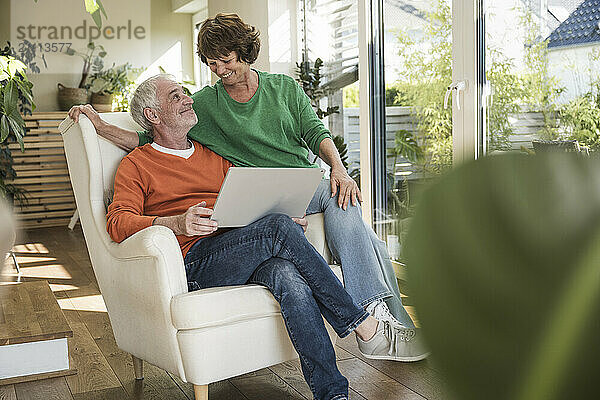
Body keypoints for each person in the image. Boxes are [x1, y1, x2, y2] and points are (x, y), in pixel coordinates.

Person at [69, 13, 427, 362]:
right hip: (261, 194)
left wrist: (338, 168)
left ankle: (372, 313)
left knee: (343, 198)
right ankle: (380, 324)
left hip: (304, 181)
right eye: (212, 64)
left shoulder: (282, 88)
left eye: (226, 60)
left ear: (245, 52)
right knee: (368, 240)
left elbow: (315, 131)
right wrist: (99, 127)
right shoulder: (206, 105)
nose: (220, 70)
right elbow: (153, 137)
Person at [106, 74, 427, 400]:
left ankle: (333, 394)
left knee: (287, 274)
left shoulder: (213, 156)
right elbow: (117, 222)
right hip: (193, 263)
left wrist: (282, 220)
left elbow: (241, 205)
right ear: (153, 116)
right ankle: (363, 325)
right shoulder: (136, 165)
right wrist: (174, 222)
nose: (189, 99)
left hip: (233, 250)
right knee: (276, 229)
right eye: (176, 96)